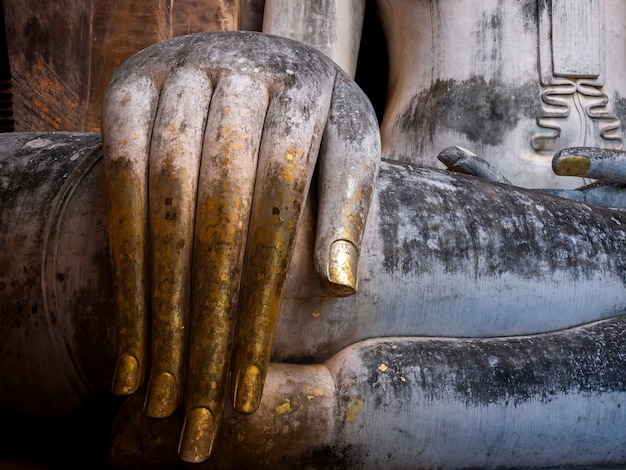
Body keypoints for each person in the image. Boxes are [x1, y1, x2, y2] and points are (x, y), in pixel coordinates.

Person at [3, 0, 626, 467]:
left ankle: (339, 426)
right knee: (272, 238)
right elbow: (300, 71)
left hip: (602, 235)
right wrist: (266, 71)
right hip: (432, 201)